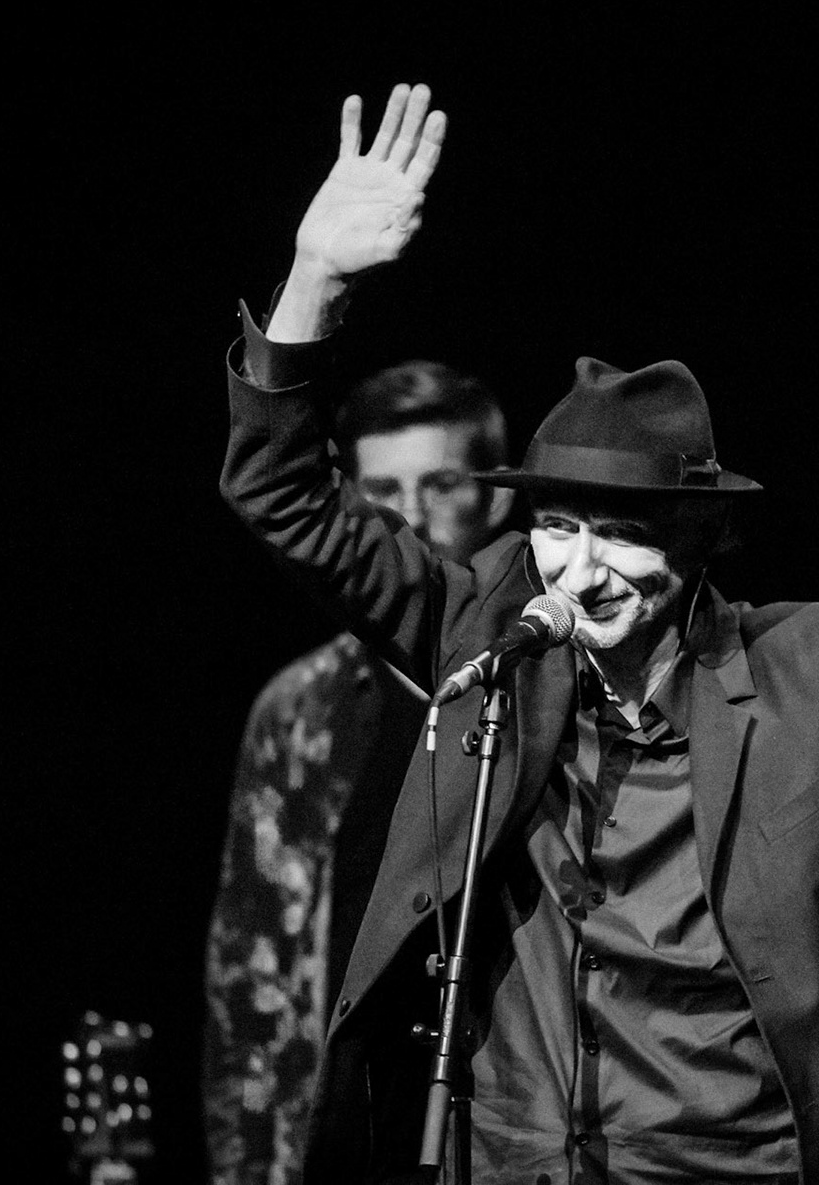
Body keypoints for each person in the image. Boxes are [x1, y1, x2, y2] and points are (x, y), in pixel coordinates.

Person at [219, 83, 819, 1184]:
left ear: (700, 543)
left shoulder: (811, 667)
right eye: (556, 526)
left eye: (618, 535)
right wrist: (316, 277)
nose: (578, 569)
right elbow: (283, 493)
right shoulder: (490, 623)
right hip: (509, 1157)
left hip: (730, 1162)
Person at [204, 358, 515, 1184]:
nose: (410, 517)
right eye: (382, 493)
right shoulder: (301, 709)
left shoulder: (542, 687)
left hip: (504, 1117)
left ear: (500, 495)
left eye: (441, 484)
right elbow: (253, 963)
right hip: (343, 1125)